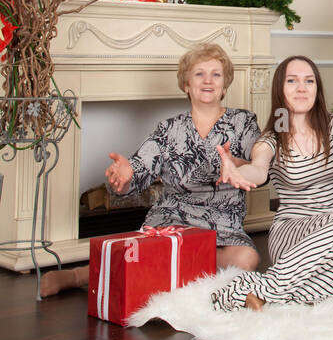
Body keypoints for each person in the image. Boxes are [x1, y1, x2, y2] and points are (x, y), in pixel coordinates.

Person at [39, 42, 261, 297]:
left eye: (216, 74)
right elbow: (140, 167)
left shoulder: (243, 122)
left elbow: (261, 169)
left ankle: (165, 273)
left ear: (225, 85)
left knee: (246, 260)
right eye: (199, 74)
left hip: (224, 223)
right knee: (149, 252)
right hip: (174, 219)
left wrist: (239, 165)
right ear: (187, 84)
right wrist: (124, 176)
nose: (208, 80)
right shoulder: (168, 129)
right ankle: (78, 275)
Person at [210, 55, 333, 311]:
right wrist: (237, 172)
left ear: (317, 88)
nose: (302, 88)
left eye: (309, 81)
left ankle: (256, 293)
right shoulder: (272, 138)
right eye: (292, 81)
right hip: (292, 234)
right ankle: (263, 286)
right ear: (280, 90)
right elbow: (258, 170)